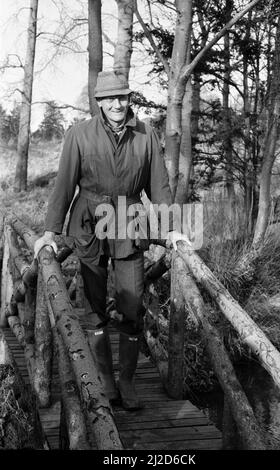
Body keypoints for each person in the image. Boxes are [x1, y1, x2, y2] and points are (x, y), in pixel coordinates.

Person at [34, 71, 190, 411]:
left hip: (130, 219)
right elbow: (64, 185)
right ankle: (105, 379)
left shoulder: (146, 135)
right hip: (88, 221)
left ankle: (127, 382)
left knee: (132, 305)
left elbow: (159, 186)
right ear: (100, 103)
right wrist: (49, 232)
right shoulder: (79, 135)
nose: (117, 104)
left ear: (128, 98)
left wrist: (170, 229)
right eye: (109, 99)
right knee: (91, 304)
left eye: (122, 97)